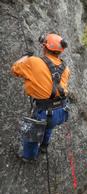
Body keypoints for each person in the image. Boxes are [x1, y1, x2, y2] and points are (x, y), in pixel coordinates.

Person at [11, 33, 70, 162]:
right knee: (49, 125)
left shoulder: (33, 62)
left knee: (33, 132)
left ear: (45, 47)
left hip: (44, 111)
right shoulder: (65, 68)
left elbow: (15, 69)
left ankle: (28, 156)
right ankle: (44, 146)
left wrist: (25, 57)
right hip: (61, 111)